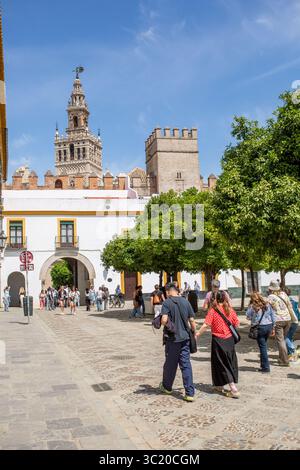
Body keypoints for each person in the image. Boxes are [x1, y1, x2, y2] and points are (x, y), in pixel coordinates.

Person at [196, 291, 240, 398]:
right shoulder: (229, 309)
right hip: (229, 340)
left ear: (215, 299)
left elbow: (206, 325)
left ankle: (233, 389)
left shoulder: (213, 311)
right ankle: (219, 385)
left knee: (221, 363)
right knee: (227, 361)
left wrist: (197, 334)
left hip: (218, 340)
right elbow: (237, 324)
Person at [159, 283, 196, 402]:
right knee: (186, 365)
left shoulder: (167, 303)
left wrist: (162, 321)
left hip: (172, 339)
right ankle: (190, 393)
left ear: (169, 291)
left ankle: (167, 387)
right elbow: (192, 320)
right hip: (185, 338)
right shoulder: (185, 301)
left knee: (170, 365)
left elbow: (164, 320)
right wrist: (193, 332)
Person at [246, 292, 276, 373]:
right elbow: (273, 316)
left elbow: (248, 317)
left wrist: (250, 307)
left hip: (260, 328)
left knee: (263, 347)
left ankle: (266, 367)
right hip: (269, 326)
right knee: (264, 345)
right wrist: (273, 328)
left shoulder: (253, 307)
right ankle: (263, 365)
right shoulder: (267, 304)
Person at [267, 280, 293, 367]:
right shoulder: (283, 294)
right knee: (283, 339)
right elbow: (290, 305)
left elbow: (267, 308)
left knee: (280, 341)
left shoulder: (270, 297)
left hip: (278, 320)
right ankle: (282, 357)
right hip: (288, 319)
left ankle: (284, 361)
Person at [285, 288, 300, 362]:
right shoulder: (294, 301)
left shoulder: (285, 302)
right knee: (289, 337)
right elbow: (297, 312)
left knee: (285, 338)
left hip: (289, 322)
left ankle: (293, 351)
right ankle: (290, 355)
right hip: (296, 321)